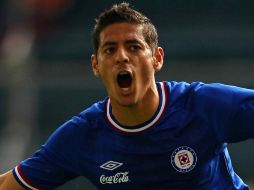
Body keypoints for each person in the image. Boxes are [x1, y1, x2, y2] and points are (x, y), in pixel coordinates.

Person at [0, 2, 254, 190]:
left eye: (133, 47)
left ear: (157, 58)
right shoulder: (81, 136)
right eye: (110, 50)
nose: (122, 56)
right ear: (96, 65)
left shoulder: (203, 105)